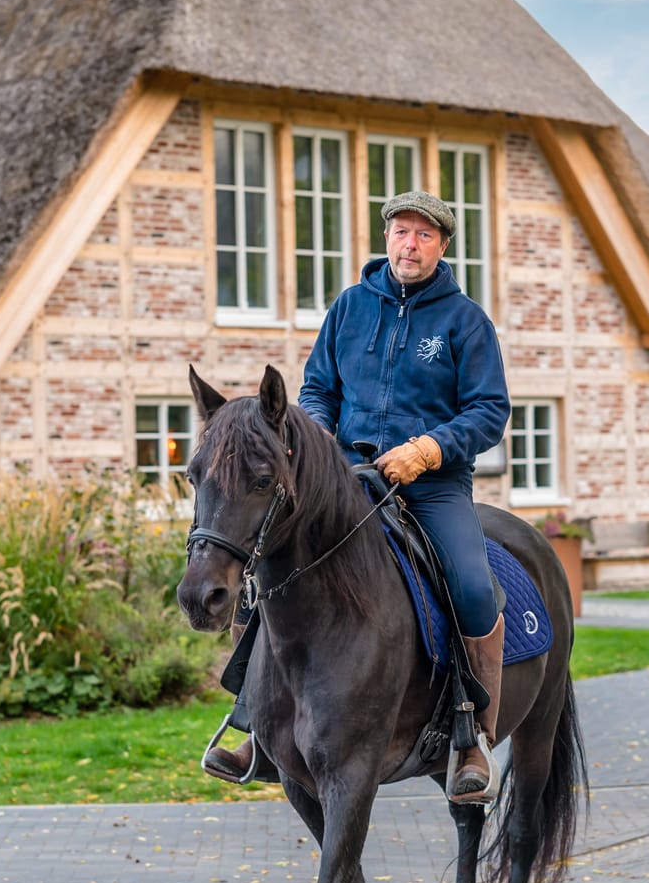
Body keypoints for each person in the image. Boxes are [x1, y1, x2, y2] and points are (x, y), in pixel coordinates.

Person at [202, 191, 512, 802]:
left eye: (424, 235)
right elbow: (317, 391)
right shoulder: (349, 308)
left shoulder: (465, 321)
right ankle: (258, 727)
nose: (410, 245)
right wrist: (326, 451)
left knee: (473, 587)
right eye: (401, 232)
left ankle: (472, 734)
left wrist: (427, 449)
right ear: (387, 238)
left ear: (442, 246)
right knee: (267, 569)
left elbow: (489, 411)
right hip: (346, 477)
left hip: (432, 484)